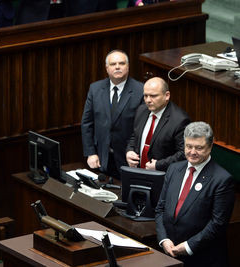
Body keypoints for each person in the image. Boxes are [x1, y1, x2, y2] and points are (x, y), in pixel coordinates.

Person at [155, 122, 235, 267]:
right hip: (169, 253)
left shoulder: (222, 180)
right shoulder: (173, 169)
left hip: (202, 258)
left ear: (210, 147)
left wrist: (188, 246)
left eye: (199, 148)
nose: (192, 152)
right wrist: (163, 239)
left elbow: (218, 224)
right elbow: (160, 208)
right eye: (188, 146)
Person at [81, 50, 143, 178]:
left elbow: (141, 127)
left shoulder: (140, 90)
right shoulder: (95, 89)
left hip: (128, 157)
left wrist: (132, 151)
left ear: (128, 66)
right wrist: (90, 153)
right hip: (101, 156)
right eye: (113, 64)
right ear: (107, 68)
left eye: (121, 63)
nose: (117, 67)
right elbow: (87, 123)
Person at [126, 77, 190, 171]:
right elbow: (134, 136)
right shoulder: (141, 110)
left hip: (162, 176)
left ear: (167, 95)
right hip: (137, 171)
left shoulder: (180, 120)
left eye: (153, 96)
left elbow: (183, 153)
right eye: (145, 96)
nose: (148, 100)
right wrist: (129, 151)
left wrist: (159, 165)